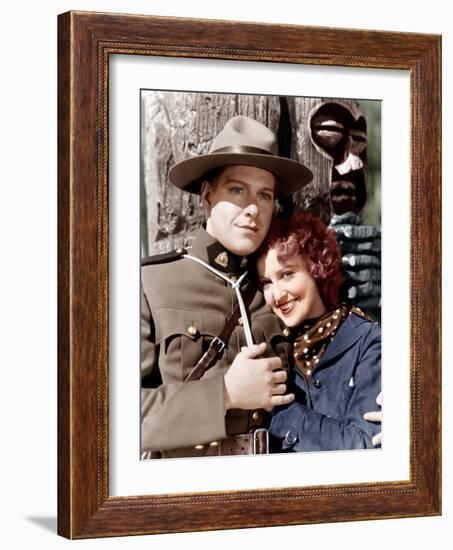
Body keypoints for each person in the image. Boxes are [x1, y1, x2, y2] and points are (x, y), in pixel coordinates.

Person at [141, 115, 313, 458]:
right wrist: (224, 393)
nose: (252, 208)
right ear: (207, 197)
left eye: (265, 195)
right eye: (237, 190)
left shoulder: (280, 290)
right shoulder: (150, 284)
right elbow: (109, 416)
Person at [256, 211, 381, 452]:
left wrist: (277, 412)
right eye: (267, 283)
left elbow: (363, 447)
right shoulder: (272, 347)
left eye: (287, 274)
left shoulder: (367, 341)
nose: (277, 295)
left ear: (317, 268)